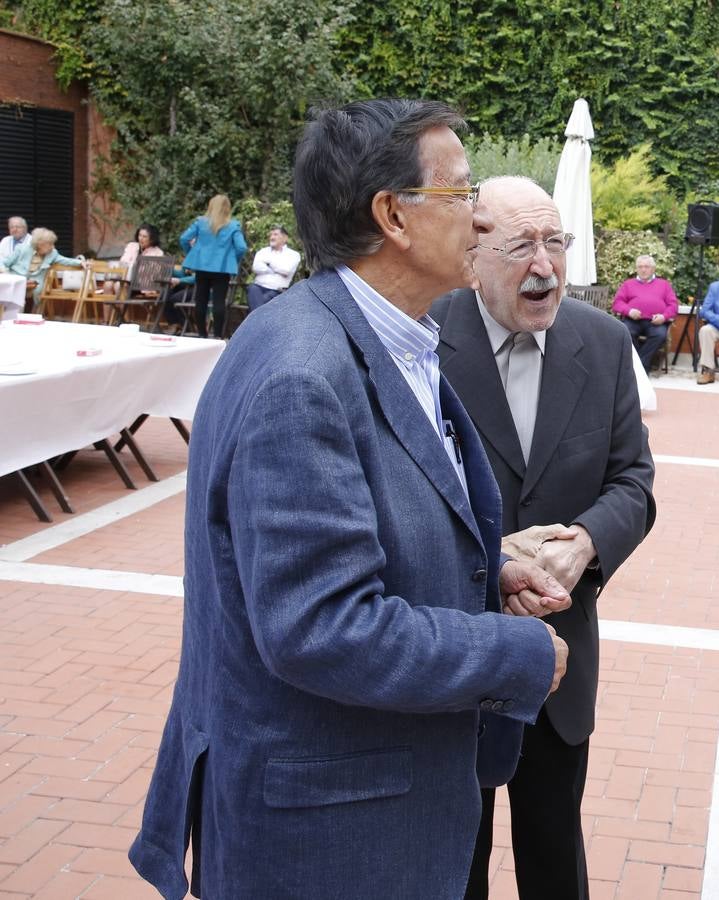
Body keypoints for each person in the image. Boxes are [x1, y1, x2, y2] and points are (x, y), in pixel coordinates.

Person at [128, 99, 573, 900]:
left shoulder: (381, 336)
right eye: (462, 195)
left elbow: (374, 526)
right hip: (326, 838)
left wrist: (483, 575)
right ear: (391, 216)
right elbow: (319, 627)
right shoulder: (304, 370)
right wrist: (519, 655)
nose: (478, 221)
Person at [433, 177, 656, 900]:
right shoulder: (424, 339)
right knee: (451, 856)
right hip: (453, 652)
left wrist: (587, 541)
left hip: (560, 659)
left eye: (555, 242)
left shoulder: (604, 341)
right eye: (521, 246)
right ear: (471, 257)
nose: (545, 266)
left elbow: (633, 481)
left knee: (555, 851)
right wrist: (490, 560)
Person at [179, 193, 247, 337]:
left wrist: (192, 253)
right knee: (219, 302)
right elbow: (241, 247)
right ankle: (217, 336)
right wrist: (231, 259)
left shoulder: (200, 222)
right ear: (227, 208)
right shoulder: (233, 225)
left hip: (202, 266)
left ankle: (202, 335)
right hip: (222, 269)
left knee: (200, 301)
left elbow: (184, 239)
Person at [611, 254, 677, 372]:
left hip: (655, 322)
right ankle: (642, 366)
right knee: (626, 333)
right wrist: (629, 311)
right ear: (636, 268)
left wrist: (663, 316)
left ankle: (638, 366)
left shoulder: (664, 285)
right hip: (633, 320)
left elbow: (673, 305)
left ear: (653, 269)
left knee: (660, 335)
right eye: (640, 266)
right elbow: (617, 303)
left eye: (646, 266)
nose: (643, 269)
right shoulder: (628, 284)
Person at [1, 227, 85, 311]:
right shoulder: (22, 249)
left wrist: (81, 262)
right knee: (19, 291)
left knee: (37, 291)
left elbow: (65, 260)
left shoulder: (52, 253)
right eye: (50, 244)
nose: (53, 246)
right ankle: (16, 316)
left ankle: (36, 314)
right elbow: (5, 262)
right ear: (40, 244)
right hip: (19, 279)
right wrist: (5, 273)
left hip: (36, 281)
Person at [247, 225, 302, 310]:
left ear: (285, 238)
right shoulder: (263, 251)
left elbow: (286, 270)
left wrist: (268, 263)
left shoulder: (293, 255)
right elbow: (256, 267)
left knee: (259, 303)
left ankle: (255, 319)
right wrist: (276, 269)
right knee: (253, 289)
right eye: (271, 235)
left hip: (277, 291)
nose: (272, 237)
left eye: (275, 234)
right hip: (258, 287)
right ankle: (259, 319)